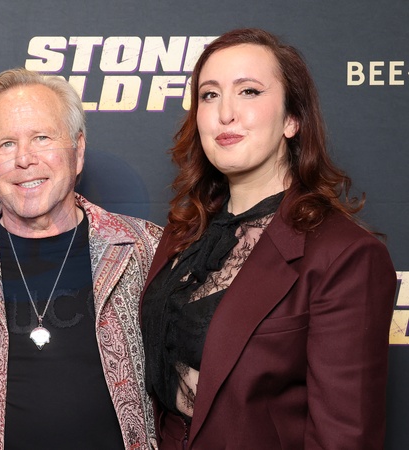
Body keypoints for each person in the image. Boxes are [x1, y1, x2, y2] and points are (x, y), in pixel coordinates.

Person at [140, 28, 396, 449]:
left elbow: (345, 437)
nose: (225, 113)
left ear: (292, 119)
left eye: (249, 92)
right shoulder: (182, 234)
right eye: (209, 95)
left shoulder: (345, 256)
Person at [0, 68, 162, 450]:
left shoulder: (145, 250)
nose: (24, 159)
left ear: (78, 150)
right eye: (6, 144)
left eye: (42, 138)